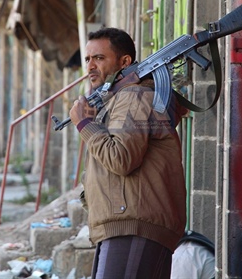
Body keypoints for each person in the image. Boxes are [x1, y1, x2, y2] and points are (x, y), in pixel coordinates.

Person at [69, 27, 189, 279]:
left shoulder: (133, 96)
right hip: (127, 224)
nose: (91, 66)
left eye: (99, 58)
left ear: (124, 62)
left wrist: (84, 124)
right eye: (88, 59)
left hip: (134, 225)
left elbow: (120, 158)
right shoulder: (121, 99)